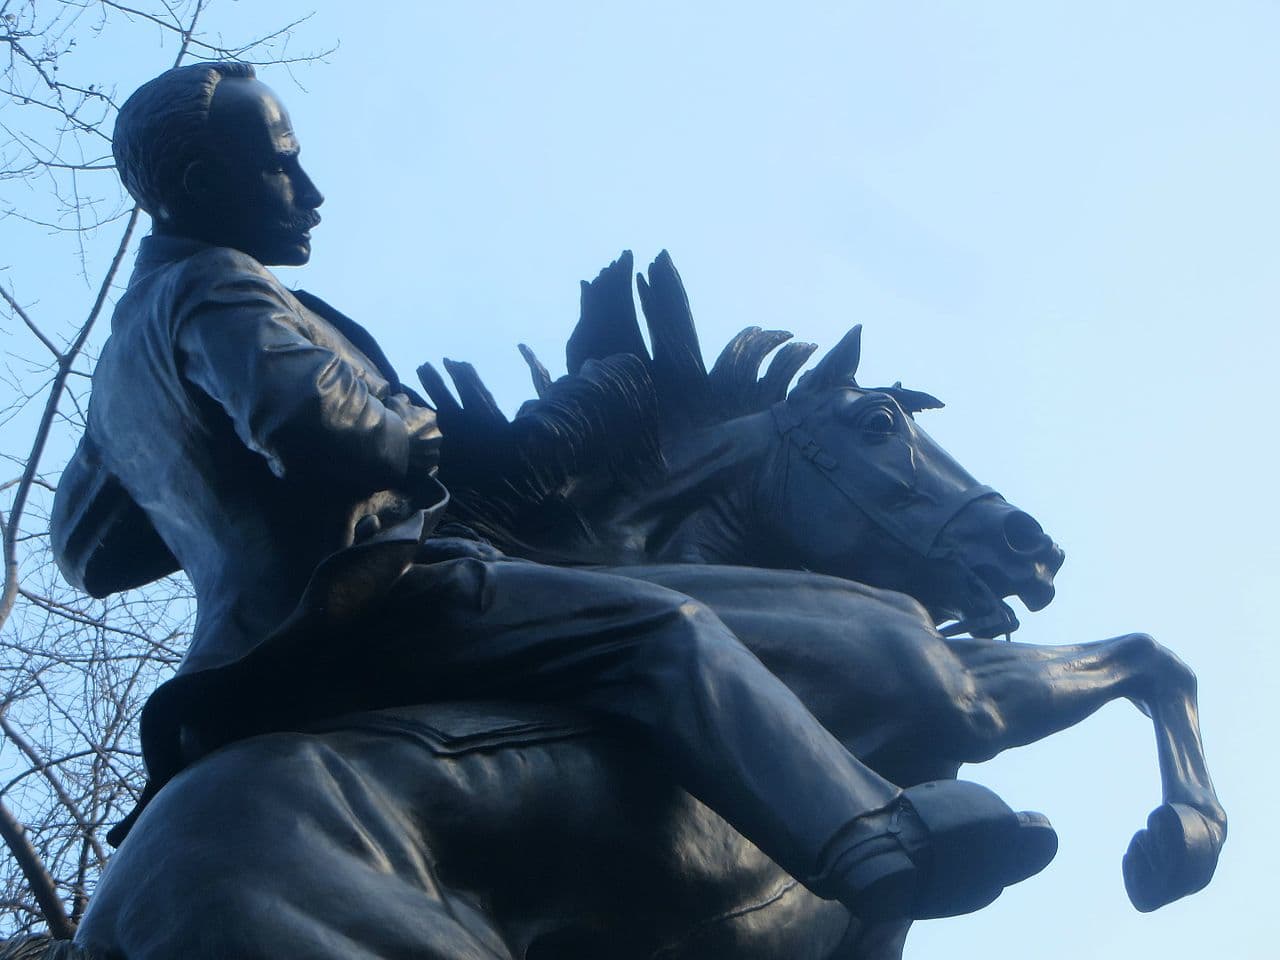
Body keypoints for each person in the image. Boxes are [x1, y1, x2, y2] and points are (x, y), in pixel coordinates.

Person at [51, 61, 1055, 926]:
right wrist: (411, 426)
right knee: (661, 629)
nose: (306, 188)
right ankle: (869, 837)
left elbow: (89, 551)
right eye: (276, 161)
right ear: (196, 182)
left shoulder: (118, 371)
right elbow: (313, 422)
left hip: (236, 666)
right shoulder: (226, 285)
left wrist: (206, 486)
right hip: (372, 602)